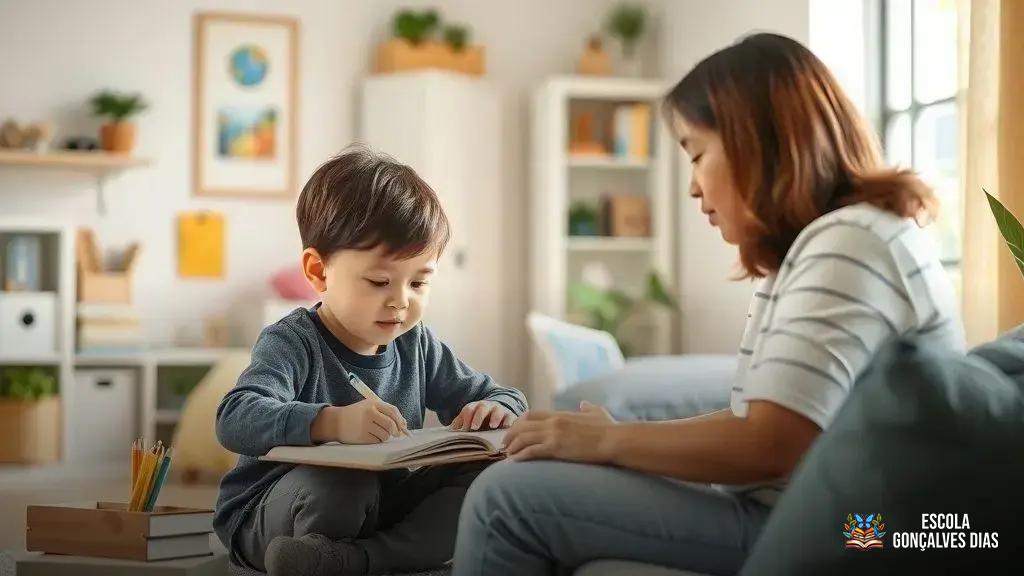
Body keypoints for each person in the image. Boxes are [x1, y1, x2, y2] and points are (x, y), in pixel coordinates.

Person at [453, 32, 965, 576]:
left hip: (865, 532)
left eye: (697, 154)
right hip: (821, 512)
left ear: (758, 142)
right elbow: (768, 422)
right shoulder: (832, 242)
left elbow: (772, 444)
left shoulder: (849, 243)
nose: (694, 188)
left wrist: (610, 440)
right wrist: (620, 442)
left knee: (505, 500)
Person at [214, 145, 528, 576]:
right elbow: (234, 418)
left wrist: (498, 408)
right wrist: (331, 423)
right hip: (274, 510)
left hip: (381, 505)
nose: (400, 301)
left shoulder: (415, 342)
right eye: (379, 281)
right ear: (319, 272)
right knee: (344, 483)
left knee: (490, 474)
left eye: (418, 283)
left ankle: (353, 561)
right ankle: (344, 557)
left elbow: (501, 394)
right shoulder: (292, 342)